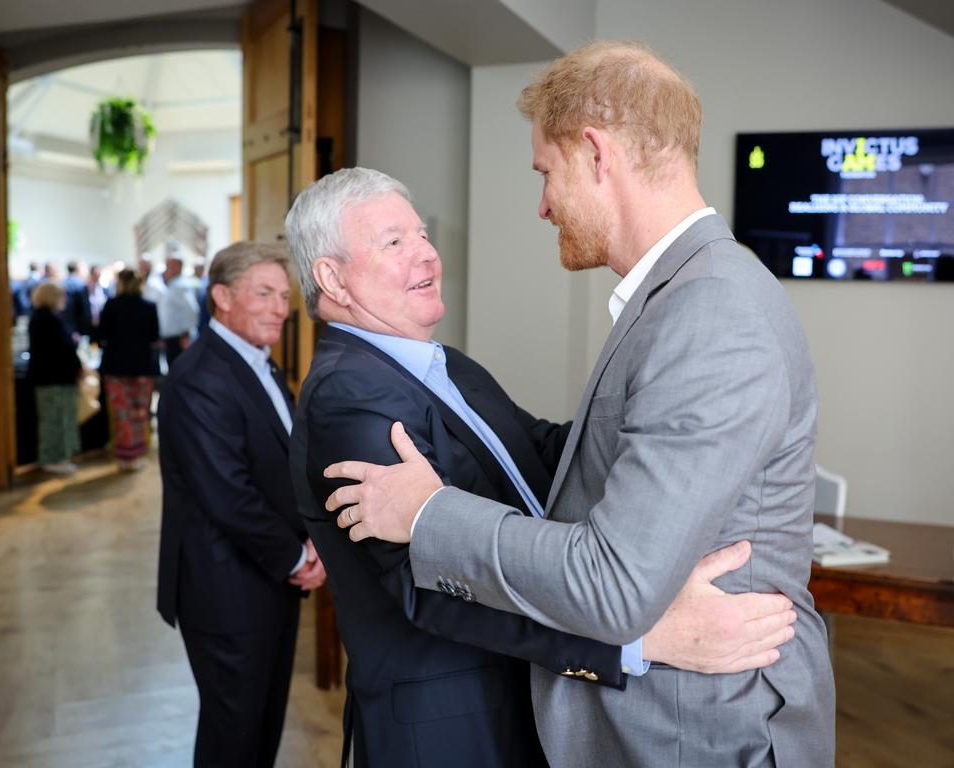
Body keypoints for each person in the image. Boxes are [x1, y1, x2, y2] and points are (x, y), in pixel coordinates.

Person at [326, 42, 835, 767]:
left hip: (698, 733)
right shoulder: (687, 294)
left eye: (545, 173)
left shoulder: (710, 312)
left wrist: (427, 513)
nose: (542, 206)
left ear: (596, 154)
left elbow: (615, 584)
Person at [156, 241, 326, 768]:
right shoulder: (201, 377)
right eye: (264, 293)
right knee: (233, 736)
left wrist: (311, 539)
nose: (280, 308)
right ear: (222, 297)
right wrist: (298, 558)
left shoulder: (259, 364)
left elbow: (280, 464)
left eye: (284, 295)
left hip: (263, 576)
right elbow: (227, 494)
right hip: (223, 587)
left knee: (261, 726)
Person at [96, 268, 160, 471]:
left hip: (116, 367)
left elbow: (101, 335)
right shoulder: (149, 307)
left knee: (121, 412)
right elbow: (154, 336)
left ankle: (125, 455)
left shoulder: (112, 305)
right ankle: (137, 452)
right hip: (142, 366)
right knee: (140, 411)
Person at [27, 281, 83, 475]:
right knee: (55, 420)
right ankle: (52, 458)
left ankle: (55, 456)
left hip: (50, 377)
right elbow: (63, 348)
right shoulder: (48, 319)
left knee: (55, 419)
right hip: (55, 378)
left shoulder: (41, 318)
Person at [159, 253, 200, 370]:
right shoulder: (173, 285)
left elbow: (191, 311)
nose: (166, 270)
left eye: (169, 266)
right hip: (172, 338)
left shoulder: (179, 286)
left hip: (178, 339)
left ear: (178, 267)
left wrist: (185, 334)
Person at [62, 260, 93, 337]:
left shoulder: (61, 283)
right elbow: (85, 307)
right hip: (78, 323)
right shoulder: (81, 284)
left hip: (65, 321)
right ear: (78, 270)